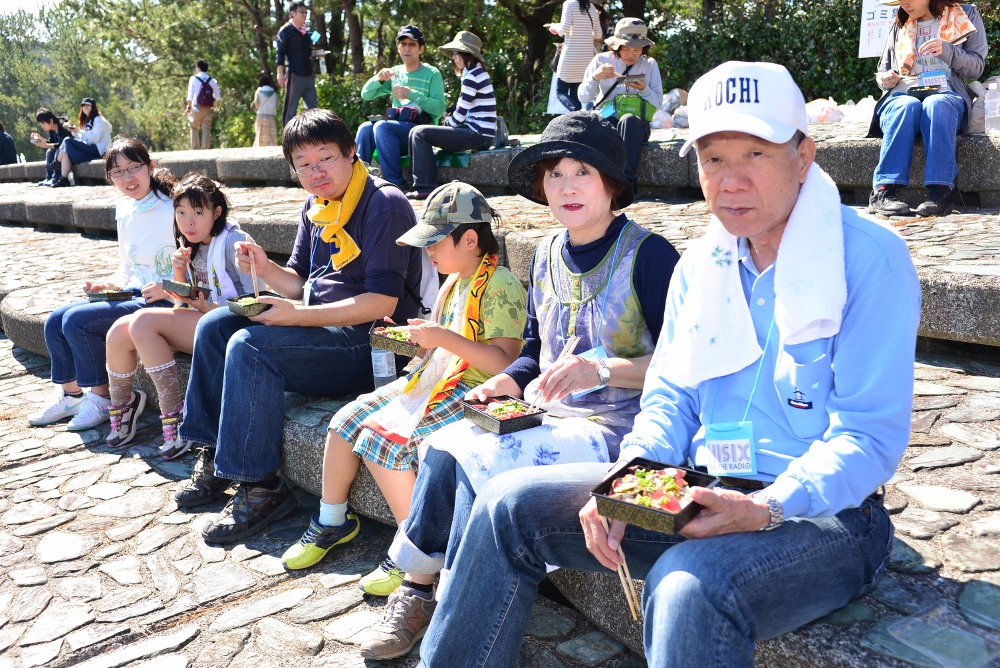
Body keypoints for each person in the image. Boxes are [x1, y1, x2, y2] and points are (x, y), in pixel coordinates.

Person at [416, 61, 922, 668]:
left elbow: (868, 436)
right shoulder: (701, 264)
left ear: (804, 156)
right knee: (506, 504)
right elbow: (670, 397)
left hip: (825, 514)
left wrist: (767, 505)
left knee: (686, 585)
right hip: (702, 486)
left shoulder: (869, 259)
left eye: (755, 154)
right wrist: (627, 477)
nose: (731, 181)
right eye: (713, 158)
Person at [357, 111, 680, 661]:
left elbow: (681, 366)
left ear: (611, 183)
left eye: (583, 172)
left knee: (475, 466)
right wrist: (504, 381)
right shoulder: (547, 253)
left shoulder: (650, 255)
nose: (568, 186)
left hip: (619, 427)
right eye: (555, 174)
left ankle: (453, 607)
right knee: (443, 446)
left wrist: (601, 370)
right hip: (549, 415)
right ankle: (418, 588)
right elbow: (533, 349)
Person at [172, 108, 424, 544]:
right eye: (303, 164)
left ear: (351, 152)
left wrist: (296, 315)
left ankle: (261, 486)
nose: (316, 172)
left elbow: (382, 302)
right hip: (325, 328)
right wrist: (264, 267)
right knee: (215, 324)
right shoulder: (316, 206)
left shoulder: (384, 204)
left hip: (375, 343)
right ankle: (213, 453)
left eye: (325, 158)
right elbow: (299, 282)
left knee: (251, 346)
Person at [280, 182, 527, 587]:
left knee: (383, 444)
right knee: (344, 422)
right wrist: (417, 338)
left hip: (474, 389)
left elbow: (505, 361)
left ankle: (415, 551)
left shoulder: (500, 285)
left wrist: (441, 337)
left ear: (469, 239)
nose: (428, 251)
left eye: (435, 242)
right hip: (435, 376)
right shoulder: (454, 281)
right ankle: (332, 520)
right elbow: (442, 343)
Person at [104, 173, 260, 458]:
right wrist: (177, 273)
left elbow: (256, 305)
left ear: (216, 213)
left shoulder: (235, 242)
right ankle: (123, 408)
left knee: (143, 321)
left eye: (198, 213)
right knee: (119, 330)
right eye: (181, 212)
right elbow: (184, 298)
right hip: (204, 319)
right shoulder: (190, 244)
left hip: (236, 327)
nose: (188, 222)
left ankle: (177, 418)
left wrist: (207, 308)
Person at [27, 136, 176, 431]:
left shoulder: (174, 207)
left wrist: (169, 288)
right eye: (117, 172)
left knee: (77, 321)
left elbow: (196, 262)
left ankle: (104, 398)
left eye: (134, 168)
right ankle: (72, 396)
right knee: (55, 320)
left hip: (162, 299)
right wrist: (107, 285)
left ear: (151, 167)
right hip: (134, 291)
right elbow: (128, 266)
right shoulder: (126, 210)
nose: (127, 178)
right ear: (110, 177)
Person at [867, 0, 986, 217]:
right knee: (906, 106)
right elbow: (883, 72)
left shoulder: (966, 14)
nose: (904, 3)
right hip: (902, 95)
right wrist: (885, 79)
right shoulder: (901, 21)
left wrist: (947, 50)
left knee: (936, 104)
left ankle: (941, 192)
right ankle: (883, 191)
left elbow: (976, 68)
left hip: (945, 95)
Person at [578, 18, 663, 198]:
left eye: (637, 50)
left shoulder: (649, 64)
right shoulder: (601, 60)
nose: (631, 54)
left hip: (636, 125)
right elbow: (583, 97)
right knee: (601, 124)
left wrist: (644, 89)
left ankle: (626, 182)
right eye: (626, 49)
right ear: (616, 46)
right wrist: (595, 78)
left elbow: (657, 103)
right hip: (608, 117)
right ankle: (599, 183)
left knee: (628, 120)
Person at [406, 32, 496, 201]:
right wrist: (449, 116)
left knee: (420, 133)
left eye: (456, 53)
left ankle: (426, 186)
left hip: (478, 135)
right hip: (480, 134)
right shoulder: (476, 73)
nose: (453, 58)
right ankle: (415, 184)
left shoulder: (472, 76)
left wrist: (445, 122)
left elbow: (458, 119)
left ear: (466, 54)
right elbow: (464, 106)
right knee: (416, 132)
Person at [356, 25, 445, 190]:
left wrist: (411, 94)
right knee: (365, 128)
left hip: (420, 134)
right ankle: (357, 182)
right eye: (403, 44)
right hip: (394, 132)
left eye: (412, 44)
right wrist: (378, 79)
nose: (407, 48)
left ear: (421, 49)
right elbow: (366, 94)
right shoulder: (395, 73)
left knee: (382, 127)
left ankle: (395, 184)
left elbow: (439, 109)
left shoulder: (432, 73)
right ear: (398, 48)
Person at [549, 0, 601, 111]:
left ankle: (577, 113)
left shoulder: (569, 4)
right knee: (575, 94)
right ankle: (579, 116)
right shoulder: (593, 8)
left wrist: (554, 27)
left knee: (560, 91)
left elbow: (564, 29)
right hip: (586, 60)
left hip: (570, 57)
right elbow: (598, 34)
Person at [51, 98, 113, 188]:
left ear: (93, 107)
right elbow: (83, 138)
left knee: (67, 141)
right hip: (90, 148)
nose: (85, 107)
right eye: (84, 106)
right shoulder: (87, 121)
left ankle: (57, 162)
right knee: (66, 152)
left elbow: (95, 139)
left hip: (99, 150)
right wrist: (73, 130)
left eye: (88, 105)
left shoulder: (99, 120)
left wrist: (79, 130)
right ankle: (64, 178)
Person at [277, 1, 318, 127]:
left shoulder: (304, 32)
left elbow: (306, 50)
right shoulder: (286, 31)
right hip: (294, 74)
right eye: (302, 12)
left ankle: (313, 136)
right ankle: (287, 137)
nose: (305, 14)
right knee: (290, 110)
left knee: (313, 110)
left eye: (306, 12)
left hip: (308, 75)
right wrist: (280, 73)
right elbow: (280, 53)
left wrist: (313, 53)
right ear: (293, 13)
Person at [30, 108, 73, 186]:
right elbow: (52, 142)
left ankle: (56, 178)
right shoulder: (52, 129)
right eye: (41, 124)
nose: (42, 126)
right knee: (49, 152)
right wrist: (41, 140)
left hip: (69, 153)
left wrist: (46, 145)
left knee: (57, 151)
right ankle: (49, 177)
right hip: (62, 152)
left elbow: (63, 146)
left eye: (43, 123)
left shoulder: (63, 127)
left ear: (51, 121)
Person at [184, 60, 221, 150]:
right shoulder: (212, 80)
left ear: (198, 68)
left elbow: (190, 94)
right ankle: (205, 150)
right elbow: (218, 96)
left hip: (196, 107)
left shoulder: (193, 79)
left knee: (194, 128)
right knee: (206, 129)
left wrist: (188, 107)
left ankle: (195, 149)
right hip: (208, 108)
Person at [251, 73, 280, 147]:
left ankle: (260, 148)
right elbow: (277, 105)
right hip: (271, 116)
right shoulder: (274, 93)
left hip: (261, 115)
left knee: (260, 133)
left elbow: (256, 104)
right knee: (271, 135)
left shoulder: (259, 91)